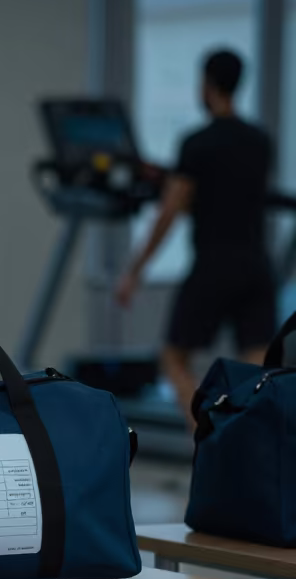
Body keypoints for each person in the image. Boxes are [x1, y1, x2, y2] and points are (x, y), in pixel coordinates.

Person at [115, 49, 276, 424]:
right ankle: (243, 442)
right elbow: (233, 195)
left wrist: (134, 271)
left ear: (207, 84)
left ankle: (205, 440)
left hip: (214, 264)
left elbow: (169, 213)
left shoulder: (197, 143)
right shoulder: (260, 141)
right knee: (255, 367)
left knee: (172, 357)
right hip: (256, 265)